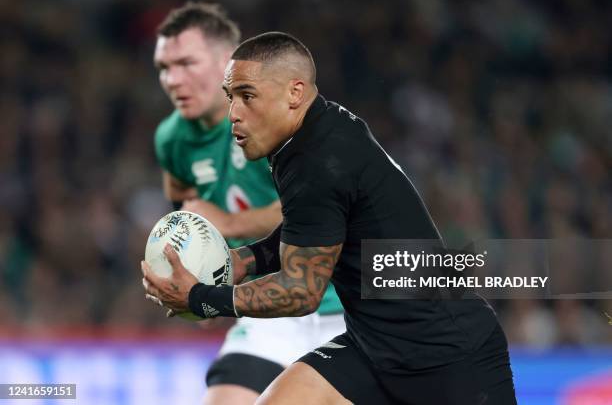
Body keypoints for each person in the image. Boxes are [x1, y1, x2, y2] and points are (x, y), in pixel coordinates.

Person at [143, 31, 517, 404]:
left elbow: (300, 292)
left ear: (295, 92)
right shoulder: (312, 133)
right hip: (372, 347)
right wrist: (248, 259)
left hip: (448, 358)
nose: (233, 114)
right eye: (230, 98)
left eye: (247, 96)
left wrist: (201, 298)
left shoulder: (320, 159)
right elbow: (315, 225)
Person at [152, 5, 345, 404]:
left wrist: (231, 223)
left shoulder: (275, 119)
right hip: (268, 313)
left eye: (187, 63)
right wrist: (193, 270)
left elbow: (327, 205)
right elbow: (184, 207)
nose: (173, 80)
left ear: (227, 63)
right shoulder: (171, 139)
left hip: (343, 305)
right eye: (164, 67)